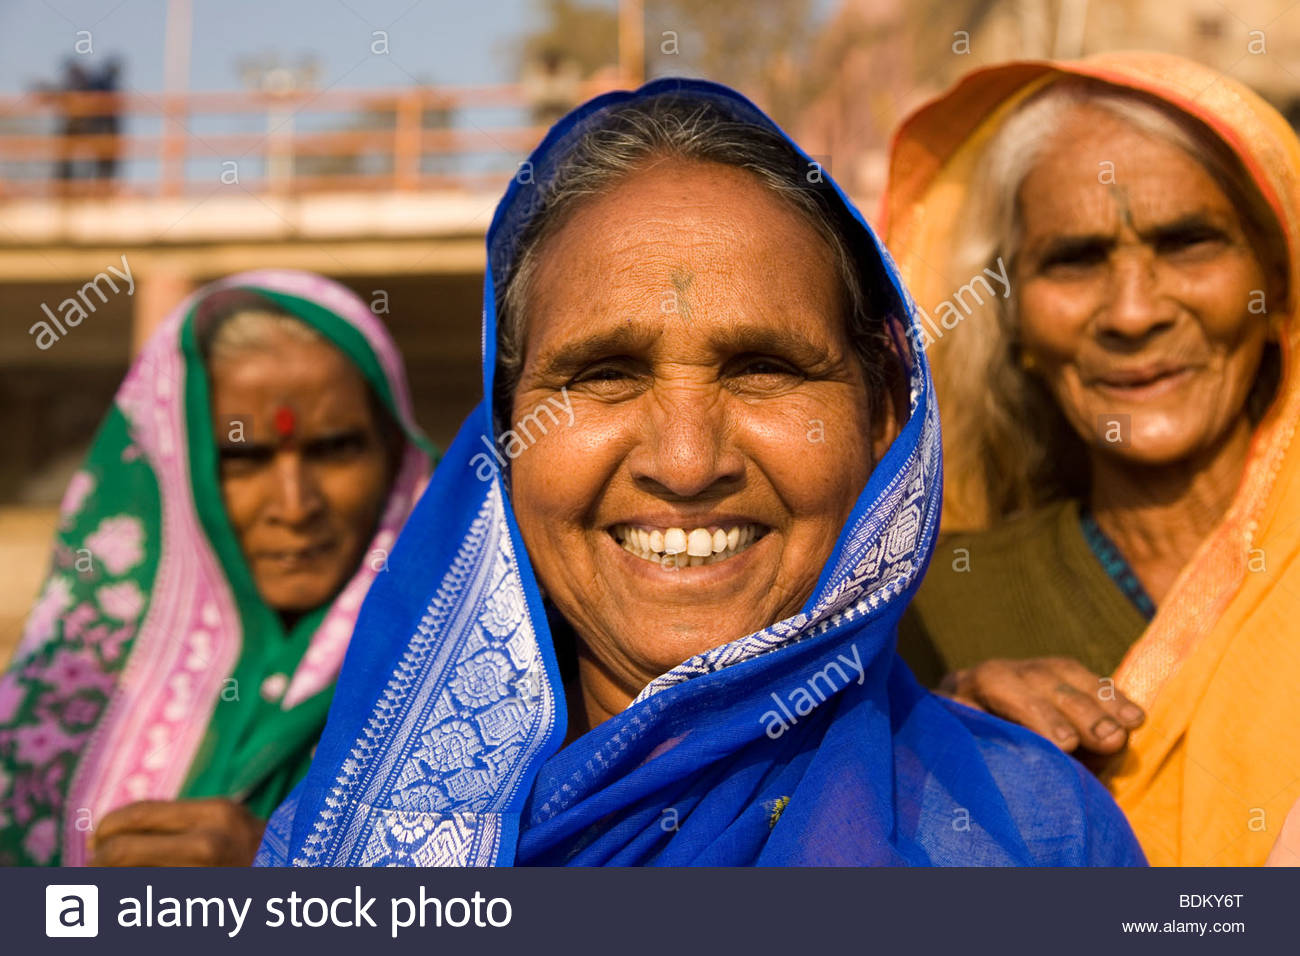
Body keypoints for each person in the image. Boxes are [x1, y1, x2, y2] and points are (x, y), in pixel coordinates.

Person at [255, 80, 1144, 867]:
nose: (686, 465)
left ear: (884, 418)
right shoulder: (341, 850)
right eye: (603, 376)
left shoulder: (1033, 837)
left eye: (765, 368)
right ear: (505, 431)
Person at [882, 53, 1300, 865]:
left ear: (1277, 285)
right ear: (1016, 324)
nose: (1134, 311)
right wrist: (936, 742)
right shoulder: (926, 603)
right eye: (1074, 258)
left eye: (1189, 243)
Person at [0, 270, 434, 865]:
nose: (294, 505)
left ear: (394, 458)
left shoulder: (471, 671)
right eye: (242, 458)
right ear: (174, 472)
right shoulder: (68, 687)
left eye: (336, 449)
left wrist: (285, 872)